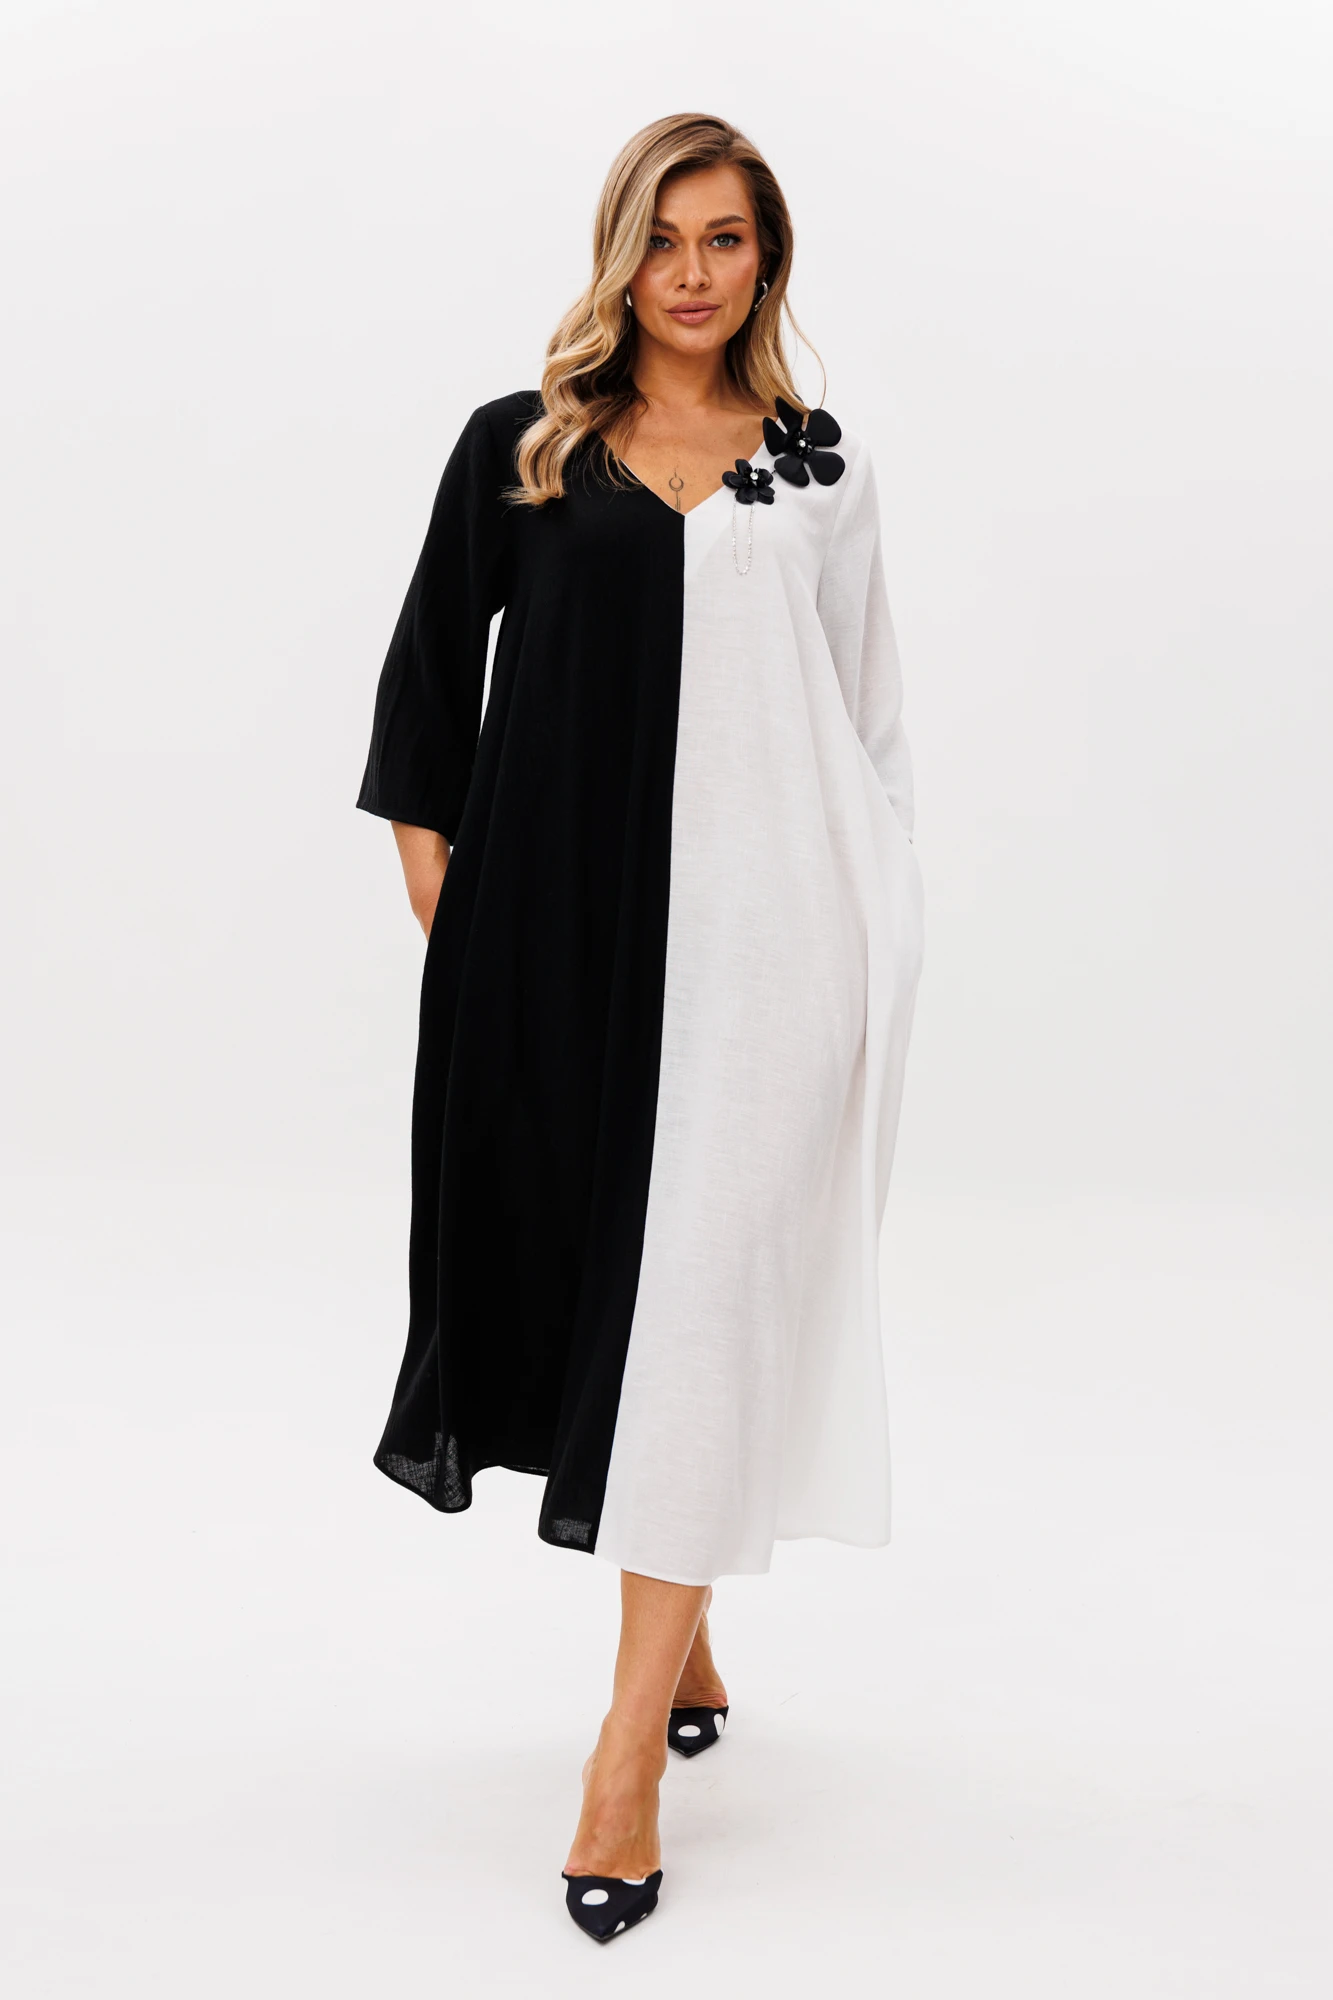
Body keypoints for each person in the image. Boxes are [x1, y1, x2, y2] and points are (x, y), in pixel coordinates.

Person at [356, 111, 924, 1942]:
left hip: (772, 972)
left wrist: (871, 956)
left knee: (706, 1311)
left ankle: (622, 1764)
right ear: (621, 250)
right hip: (556, 960)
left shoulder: (821, 469)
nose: (693, 272)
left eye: (727, 239)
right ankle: (687, 1641)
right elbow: (425, 707)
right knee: (591, 1295)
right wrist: (468, 937)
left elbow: (870, 735)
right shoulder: (521, 448)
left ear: (768, 260)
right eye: (665, 237)